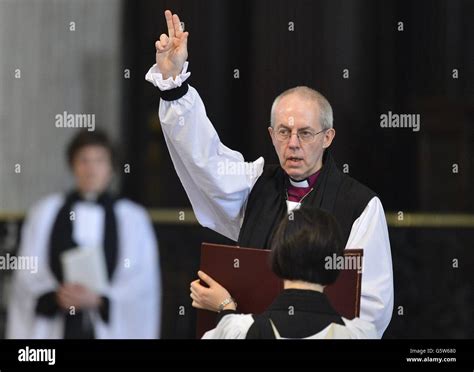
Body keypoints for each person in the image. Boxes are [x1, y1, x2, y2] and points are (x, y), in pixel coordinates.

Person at [145, 10, 393, 337]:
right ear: (270, 134)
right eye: (283, 132)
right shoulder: (255, 185)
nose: (293, 144)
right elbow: (205, 160)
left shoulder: (360, 205)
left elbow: (369, 309)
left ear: (328, 137)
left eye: (305, 133)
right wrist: (175, 87)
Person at [7, 130, 161, 339]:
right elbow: (27, 271)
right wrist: (56, 296)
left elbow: (142, 282)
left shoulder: (133, 219)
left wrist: (100, 300)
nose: (91, 170)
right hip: (56, 328)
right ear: (72, 165)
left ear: (111, 168)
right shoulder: (45, 212)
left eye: (99, 161)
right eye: (84, 160)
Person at [191, 207, 377, 339]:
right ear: (335, 266)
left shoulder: (240, 331)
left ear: (278, 258)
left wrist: (226, 308)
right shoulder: (360, 334)